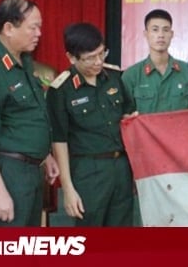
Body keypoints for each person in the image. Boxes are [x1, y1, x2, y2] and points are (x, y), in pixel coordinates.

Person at [0, 0, 59, 226]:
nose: (39, 33)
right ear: (8, 28)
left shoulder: (23, 62)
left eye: (40, 27)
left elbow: (24, 115)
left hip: (31, 172)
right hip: (7, 173)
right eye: (33, 27)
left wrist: (45, 155)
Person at [46, 23, 137, 226]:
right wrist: (68, 189)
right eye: (90, 58)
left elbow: (129, 118)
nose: (98, 62)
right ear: (71, 57)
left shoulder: (115, 78)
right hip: (88, 171)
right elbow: (59, 141)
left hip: (121, 167)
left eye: (101, 54)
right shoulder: (61, 90)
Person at [122, 9, 188, 114]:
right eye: (155, 30)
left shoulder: (187, 71)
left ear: (171, 34)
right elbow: (126, 117)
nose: (161, 35)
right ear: (146, 34)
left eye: (166, 30)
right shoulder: (131, 76)